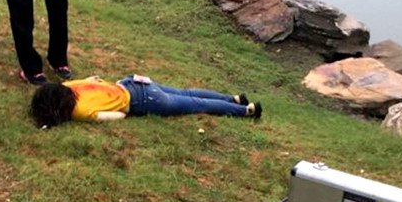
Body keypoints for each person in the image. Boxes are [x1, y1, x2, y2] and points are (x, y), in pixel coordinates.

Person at [30, 74, 262, 127]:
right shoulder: (69, 86)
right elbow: (94, 78)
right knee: (188, 93)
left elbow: (119, 115)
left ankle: (246, 111)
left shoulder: (80, 112)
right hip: (131, 82)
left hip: (144, 100)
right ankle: (234, 99)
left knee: (195, 106)